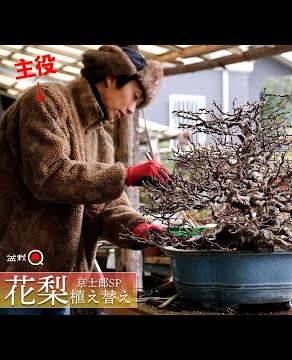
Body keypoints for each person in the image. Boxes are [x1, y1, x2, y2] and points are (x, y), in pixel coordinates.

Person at [0, 45, 169, 315]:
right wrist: (126, 174)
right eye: (134, 96)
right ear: (111, 77)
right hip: (17, 271)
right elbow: (49, 175)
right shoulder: (44, 101)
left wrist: (136, 227)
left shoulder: (101, 139)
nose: (131, 109)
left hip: (62, 282)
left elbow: (104, 208)